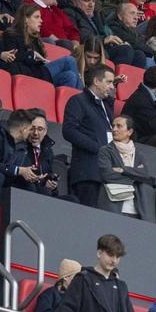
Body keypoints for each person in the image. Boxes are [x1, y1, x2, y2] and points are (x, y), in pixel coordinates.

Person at [62, 65, 116, 208]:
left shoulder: (106, 104)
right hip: (87, 172)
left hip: (106, 173)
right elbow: (69, 130)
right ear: (97, 81)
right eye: (109, 82)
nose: (112, 87)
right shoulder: (78, 100)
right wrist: (97, 148)